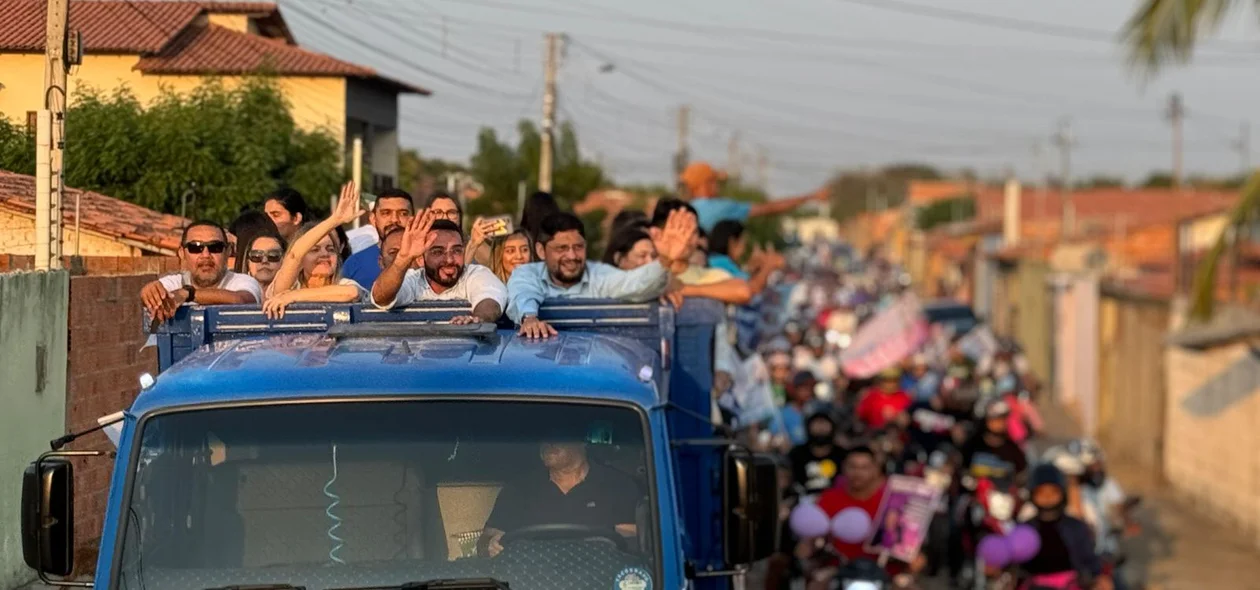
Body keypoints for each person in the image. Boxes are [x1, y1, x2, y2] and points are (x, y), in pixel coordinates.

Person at [505, 210, 694, 338]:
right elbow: (523, 292)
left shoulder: (599, 274)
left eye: (578, 247)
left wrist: (666, 259)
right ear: (540, 251)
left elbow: (633, 283)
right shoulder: (527, 273)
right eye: (562, 248)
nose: (571, 256)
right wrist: (530, 319)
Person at [477, 438, 641, 558]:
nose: (548, 442)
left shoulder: (618, 485)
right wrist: (490, 545)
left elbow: (632, 543)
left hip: (599, 578)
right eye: (544, 436)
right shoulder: (518, 489)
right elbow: (484, 542)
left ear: (582, 440)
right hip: (532, 579)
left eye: (557, 434)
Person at [371, 212, 507, 324]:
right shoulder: (412, 279)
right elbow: (380, 298)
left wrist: (478, 319)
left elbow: (490, 301)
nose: (449, 260)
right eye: (437, 252)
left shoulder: (476, 274)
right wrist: (403, 258)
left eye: (456, 251)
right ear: (420, 259)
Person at [262, 183, 367, 319]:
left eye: (330, 249)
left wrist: (293, 296)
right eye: (314, 250)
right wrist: (334, 220)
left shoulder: (343, 285)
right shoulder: (286, 287)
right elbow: (294, 255)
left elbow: (351, 293)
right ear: (301, 260)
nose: (324, 254)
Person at [140, 221, 263, 322]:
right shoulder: (174, 283)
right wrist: (149, 292)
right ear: (182, 253)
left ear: (228, 252)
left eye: (215, 247)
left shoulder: (243, 281)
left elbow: (241, 301)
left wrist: (188, 294)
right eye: (195, 248)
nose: (205, 255)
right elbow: (153, 298)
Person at [1022, 463, 1108, 590]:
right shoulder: (1025, 529)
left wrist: (1096, 577)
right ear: (1032, 495)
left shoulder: (1075, 526)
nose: (1047, 497)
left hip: (1070, 585)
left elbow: (1089, 559)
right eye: (1041, 492)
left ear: (1062, 494)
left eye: (1053, 492)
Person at [679, 161, 826, 231]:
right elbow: (769, 208)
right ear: (704, 184)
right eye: (714, 182)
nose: (717, 187)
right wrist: (810, 197)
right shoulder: (720, 208)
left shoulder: (680, 210)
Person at [813, 446, 888, 562]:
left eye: (864, 468)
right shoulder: (829, 498)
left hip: (879, 570)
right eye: (853, 467)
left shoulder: (889, 502)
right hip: (838, 569)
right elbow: (813, 536)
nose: (858, 473)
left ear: (875, 470)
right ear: (844, 468)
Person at [341, 188, 416, 289]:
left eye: (403, 213)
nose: (394, 220)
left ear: (414, 219)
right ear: (373, 219)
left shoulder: (428, 258)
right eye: (386, 213)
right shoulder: (354, 263)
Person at [959, 399, 1029, 485]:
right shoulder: (972, 445)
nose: (1000, 424)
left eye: (1003, 419)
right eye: (995, 420)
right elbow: (962, 470)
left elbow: (1021, 475)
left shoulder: (1013, 449)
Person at [787, 411, 847, 496]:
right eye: (817, 424)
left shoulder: (842, 454)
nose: (821, 428)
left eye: (824, 424)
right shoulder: (796, 454)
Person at [771, 370, 819, 448]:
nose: (809, 391)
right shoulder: (783, 414)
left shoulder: (819, 410)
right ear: (793, 389)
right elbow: (773, 437)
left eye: (812, 387)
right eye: (804, 387)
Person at [233, 229, 286, 294]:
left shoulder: (296, 294)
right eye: (256, 256)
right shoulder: (232, 290)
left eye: (273, 255)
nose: (264, 261)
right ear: (248, 262)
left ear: (284, 260)